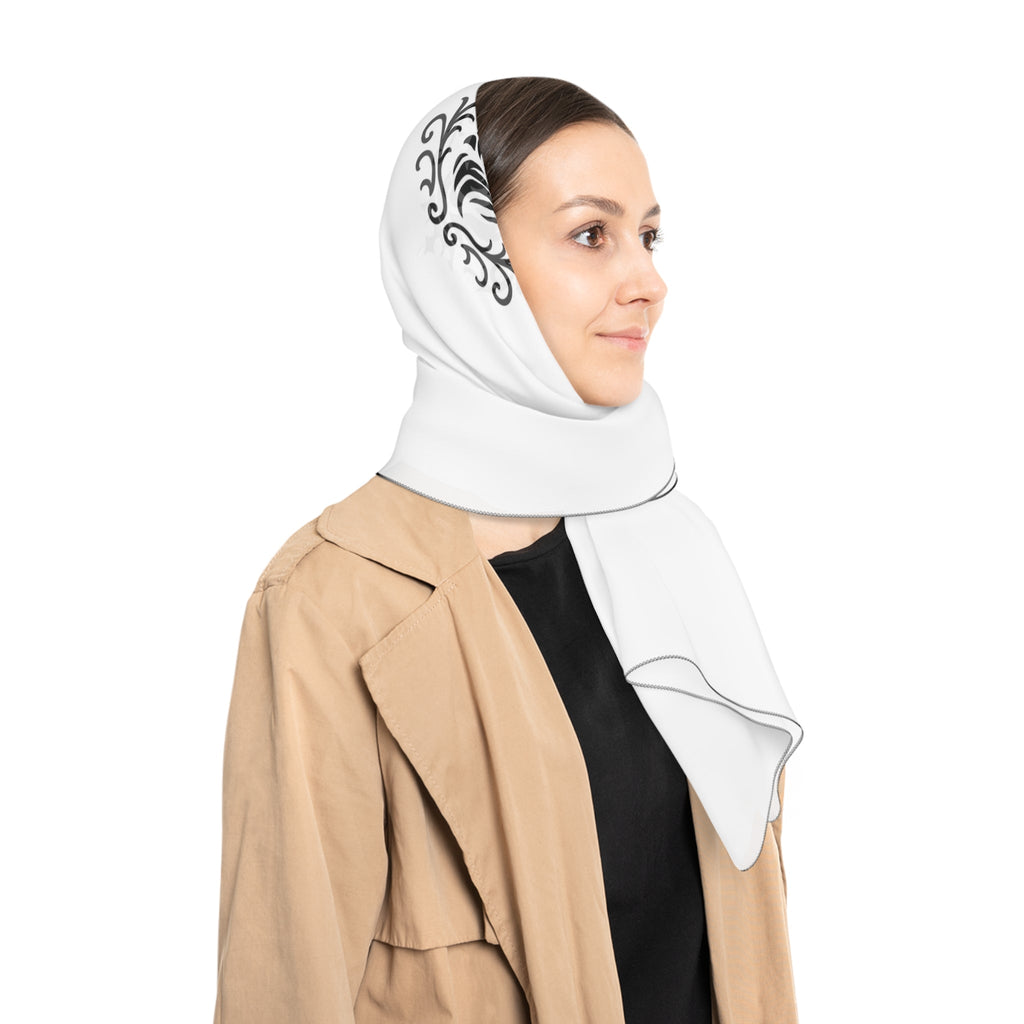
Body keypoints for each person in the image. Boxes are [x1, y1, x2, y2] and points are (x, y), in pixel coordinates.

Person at [213, 77, 803, 1024]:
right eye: (591, 234)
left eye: (648, 236)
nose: (647, 281)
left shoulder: (671, 546)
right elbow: (286, 990)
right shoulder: (332, 599)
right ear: (466, 260)